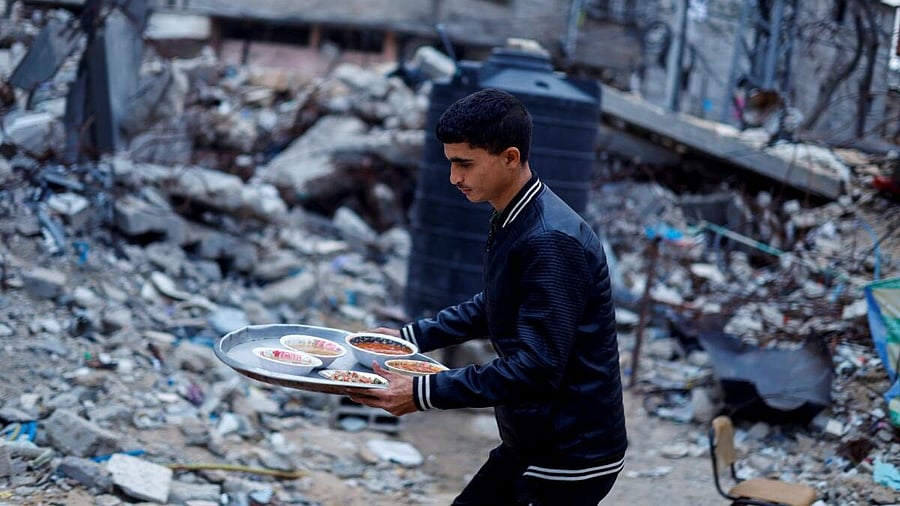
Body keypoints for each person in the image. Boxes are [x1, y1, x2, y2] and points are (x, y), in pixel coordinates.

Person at [349, 88, 627, 505]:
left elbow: (535, 369)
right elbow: (494, 304)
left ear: (510, 157)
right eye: (450, 163)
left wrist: (425, 392)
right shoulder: (517, 215)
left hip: (567, 453)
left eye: (465, 164)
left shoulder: (549, 239)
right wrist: (409, 338)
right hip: (531, 441)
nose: (453, 178)